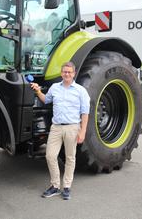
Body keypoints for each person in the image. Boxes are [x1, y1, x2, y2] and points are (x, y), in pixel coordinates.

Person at [30, 61, 90, 200]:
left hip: (72, 127)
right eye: (64, 71)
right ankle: (55, 186)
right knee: (50, 156)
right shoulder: (55, 87)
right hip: (56, 127)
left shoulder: (81, 91)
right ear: (61, 73)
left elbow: (85, 113)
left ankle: (67, 187)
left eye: (69, 72)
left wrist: (83, 131)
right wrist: (38, 91)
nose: (66, 74)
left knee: (70, 158)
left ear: (74, 73)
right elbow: (46, 100)